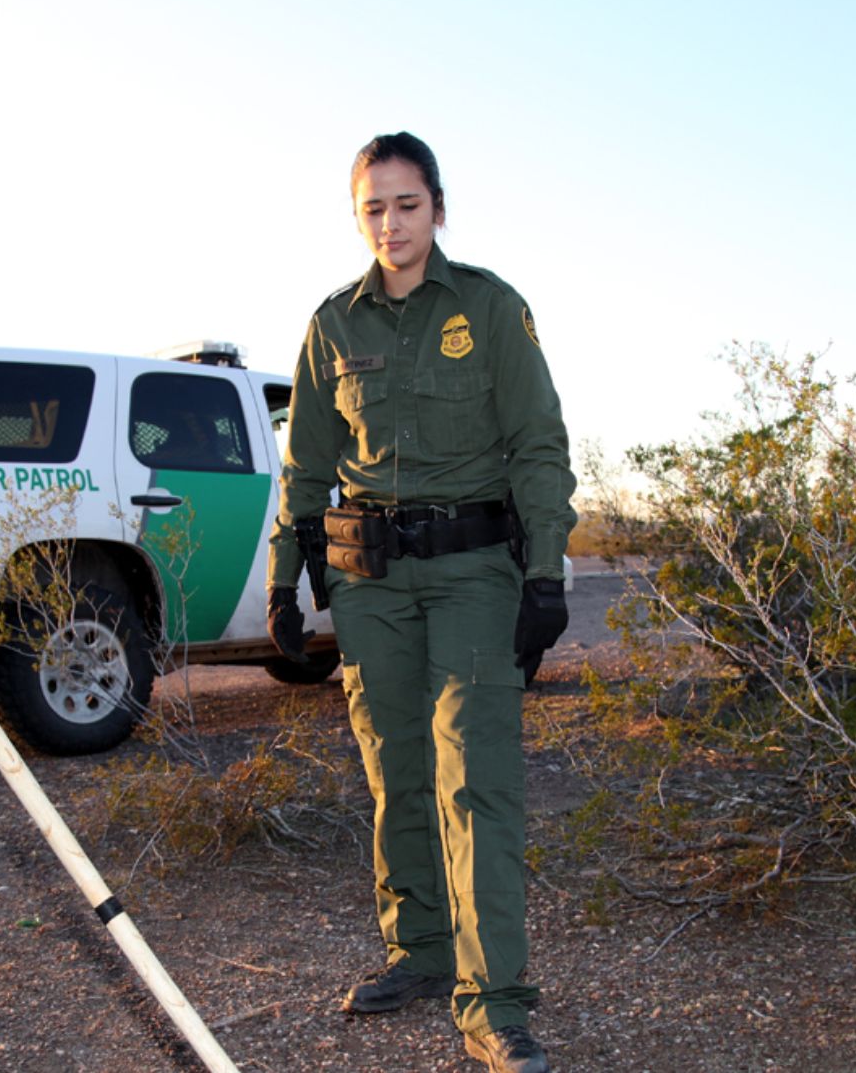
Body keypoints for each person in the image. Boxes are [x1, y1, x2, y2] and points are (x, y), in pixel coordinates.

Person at [267, 132, 577, 1073]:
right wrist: (284, 578)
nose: (391, 224)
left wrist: (546, 572)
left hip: (473, 572)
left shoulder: (489, 307)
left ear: (438, 209)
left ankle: (495, 1003)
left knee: (475, 779)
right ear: (357, 215)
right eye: (374, 207)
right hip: (370, 585)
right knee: (395, 770)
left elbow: (538, 444)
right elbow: (306, 465)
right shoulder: (333, 325)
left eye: (407, 205)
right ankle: (422, 952)